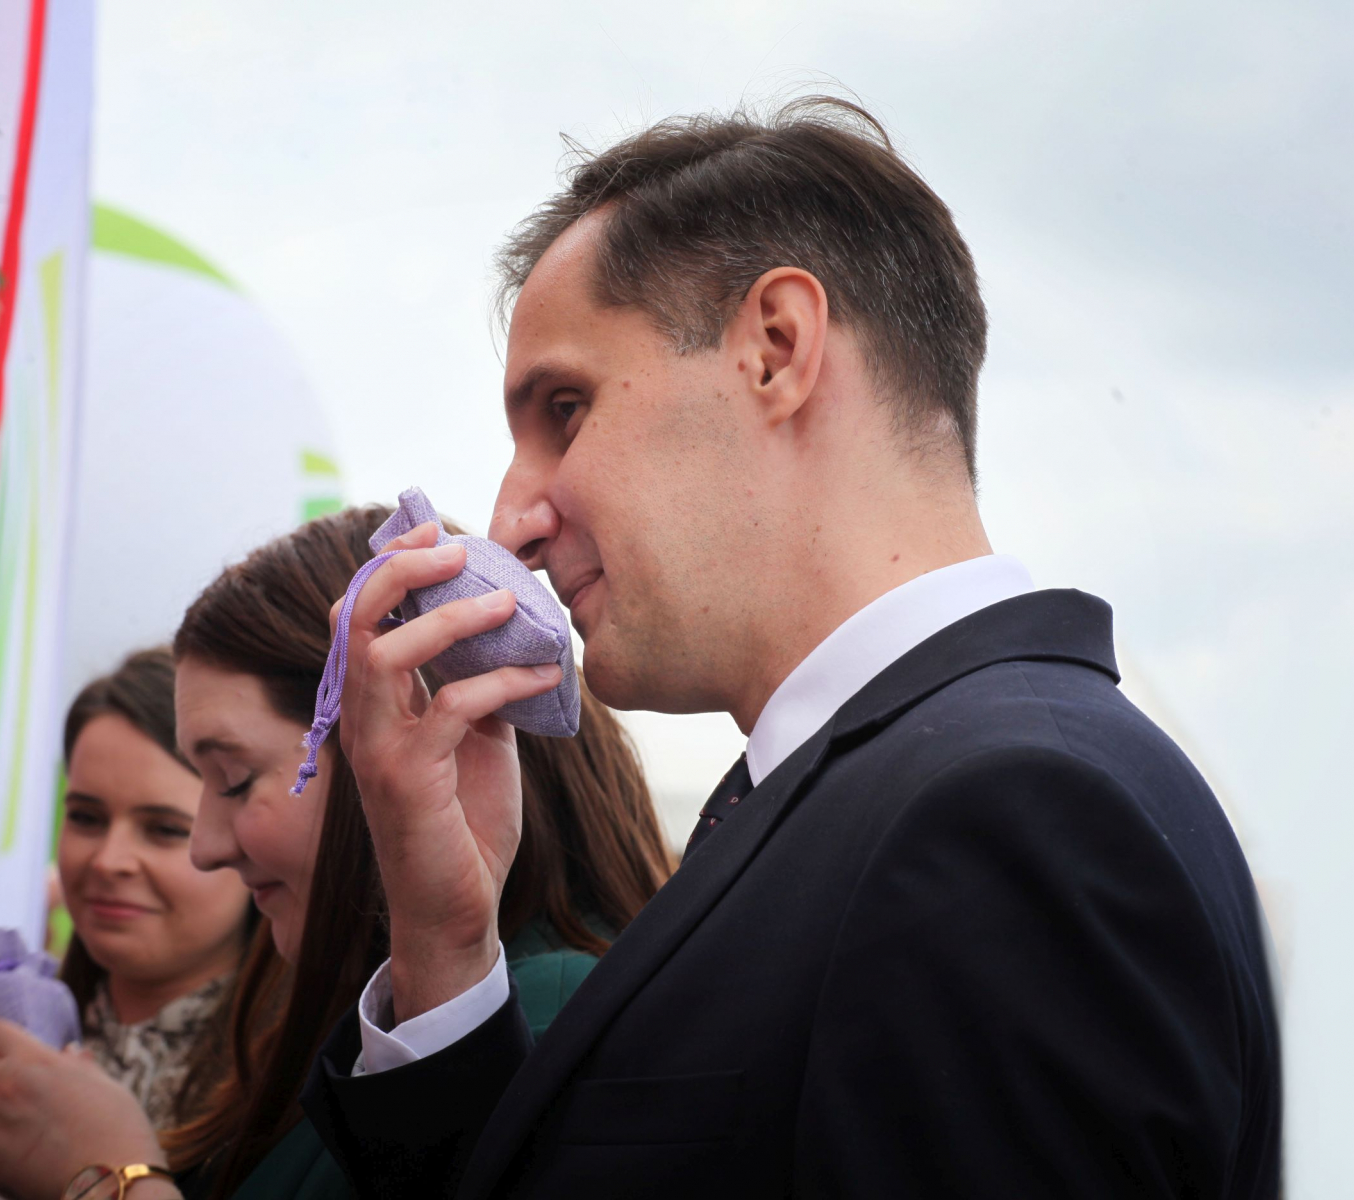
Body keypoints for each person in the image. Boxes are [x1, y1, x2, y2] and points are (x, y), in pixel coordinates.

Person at [298, 97, 1284, 1198]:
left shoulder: (1007, 815)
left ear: (776, 348)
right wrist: (446, 946)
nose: (511, 518)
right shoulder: (902, 794)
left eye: (566, 409)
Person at [0, 506, 671, 1200]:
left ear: (416, 734)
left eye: (233, 780)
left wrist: (108, 1174)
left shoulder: (552, 1020)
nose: (206, 847)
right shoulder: (350, 1015)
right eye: (83, 816)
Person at [0, 648, 256, 1200]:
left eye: (164, 829)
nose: (108, 860)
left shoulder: (279, 1093)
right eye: (85, 817)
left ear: (248, 842)